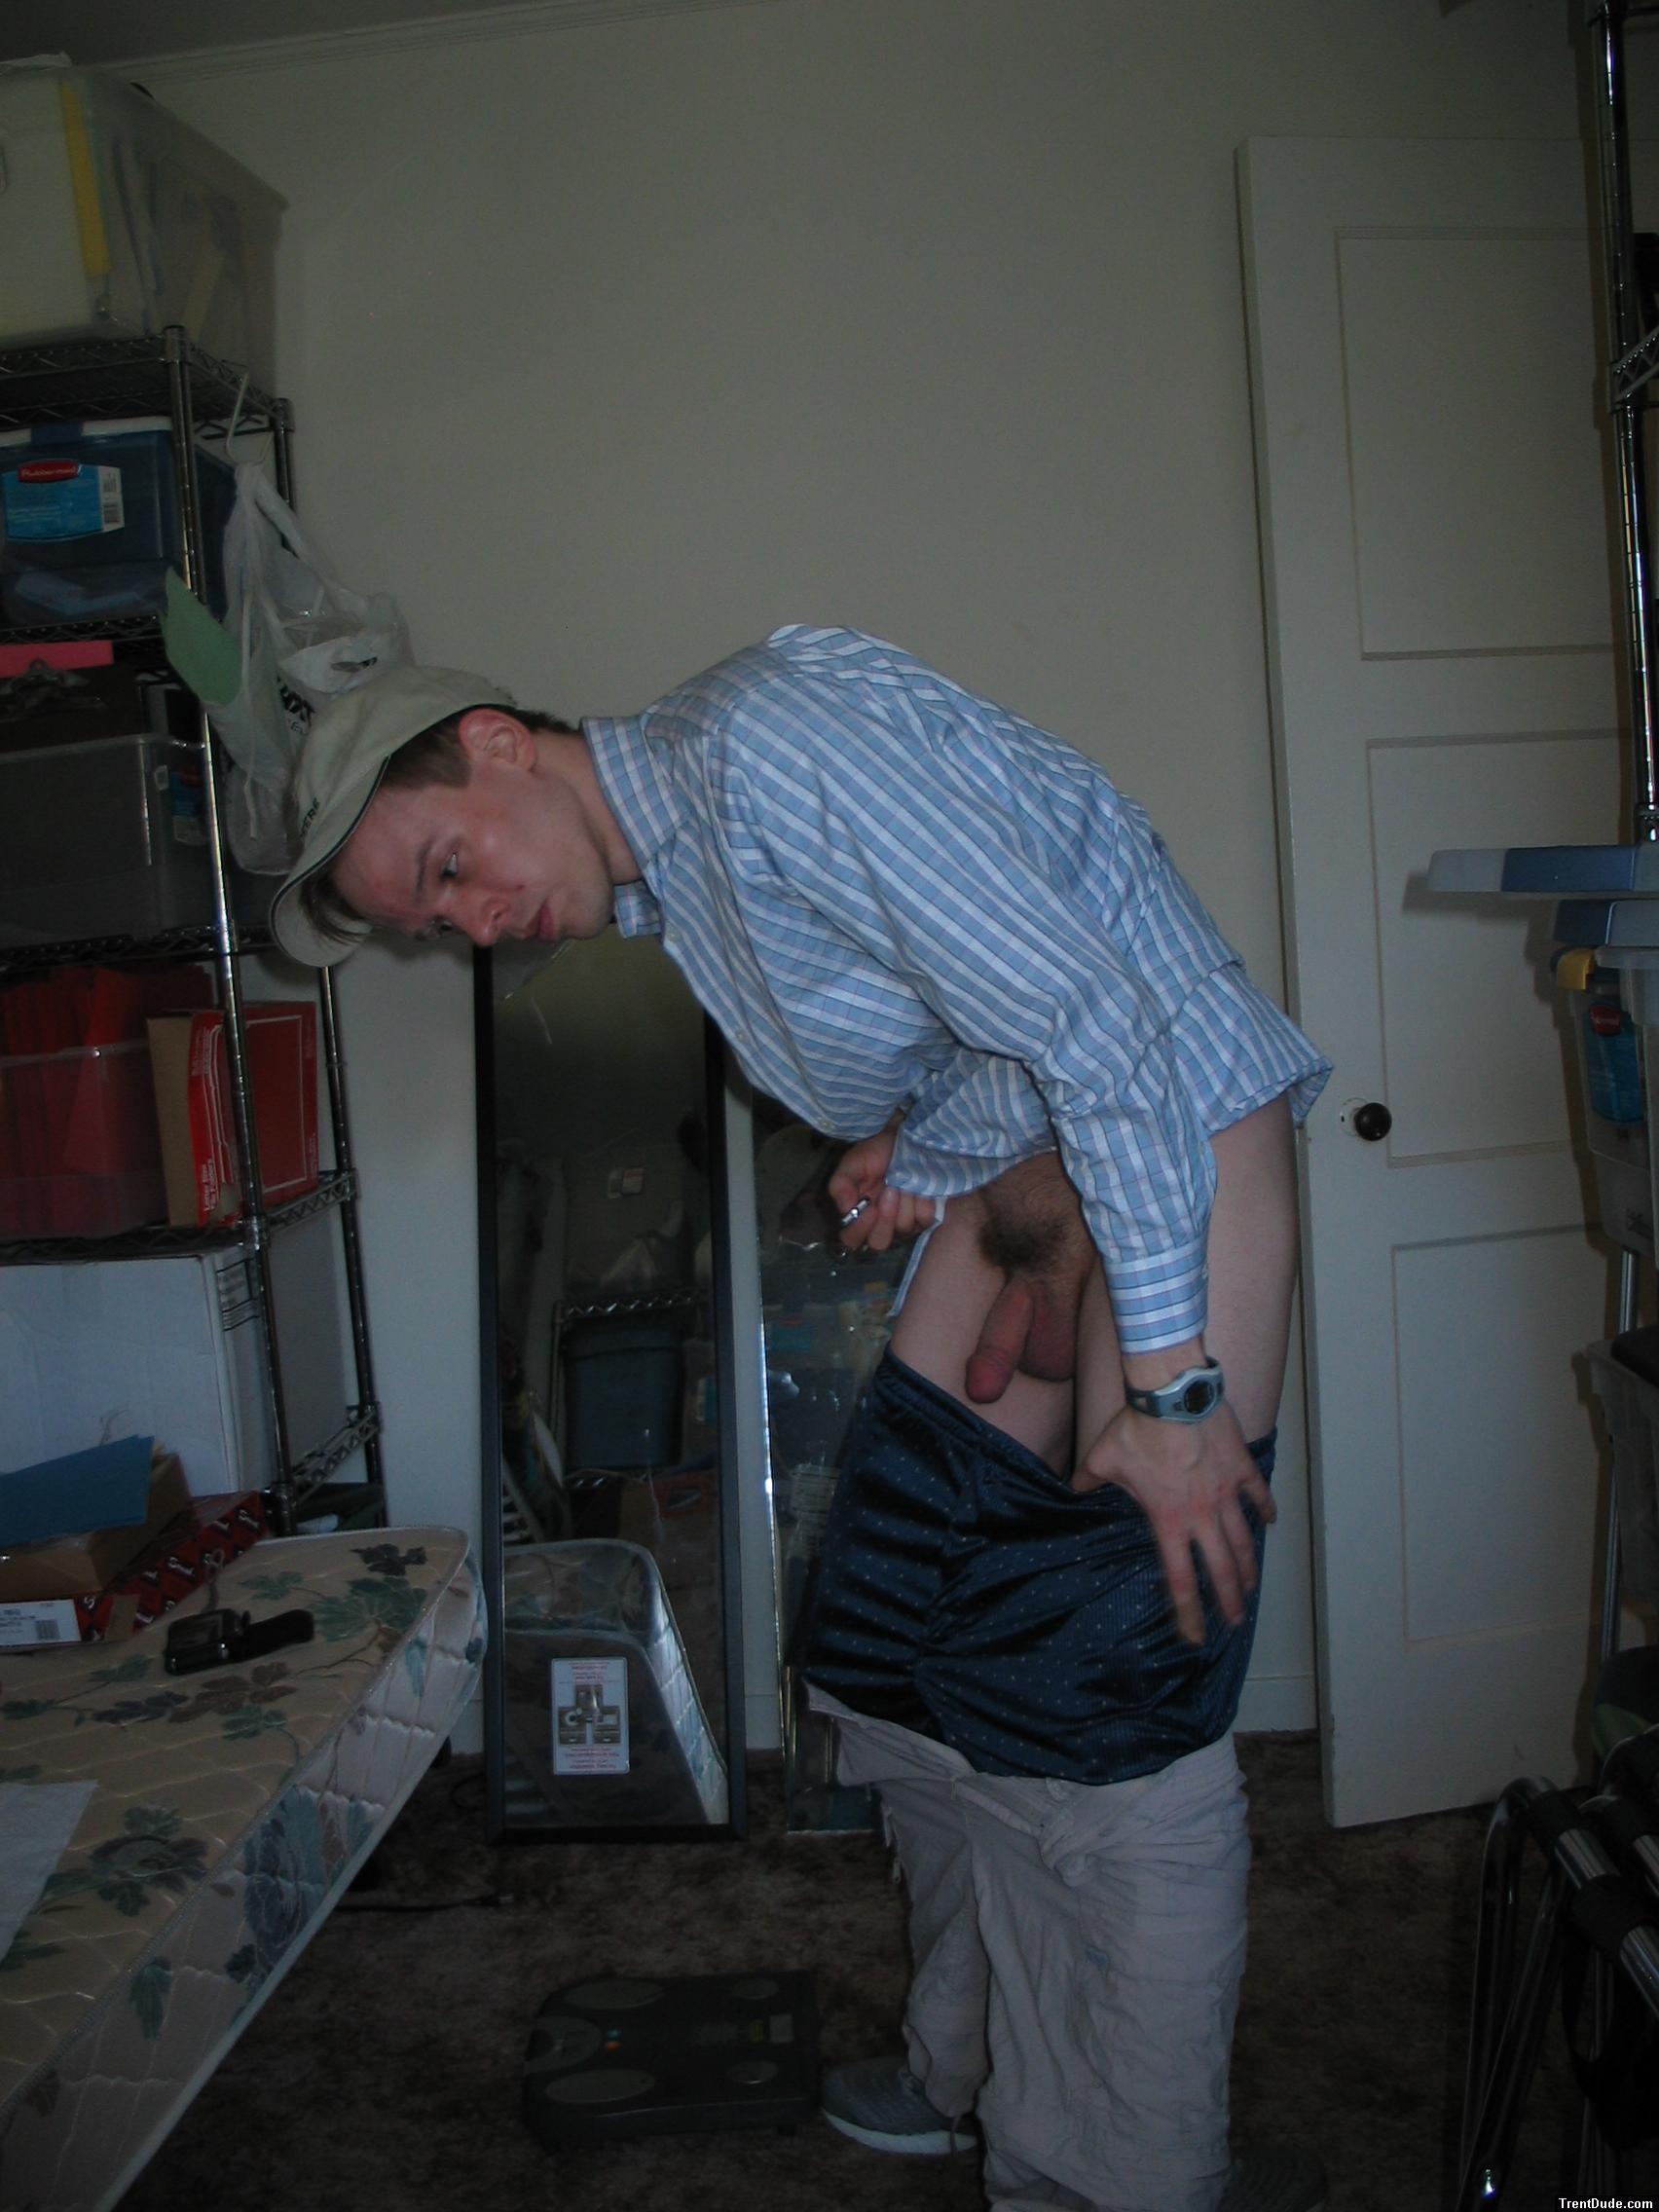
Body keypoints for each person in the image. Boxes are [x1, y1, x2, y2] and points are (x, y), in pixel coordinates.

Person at [271, 627, 1331, 2212]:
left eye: (449, 866)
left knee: (1109, 1714)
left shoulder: (760, 746)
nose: (476, 925)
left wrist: (1177, 1394)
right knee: (900, 1644)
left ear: (494, 741)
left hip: (1161, 1155)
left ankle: (1135, 2171)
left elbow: (1101, 1021)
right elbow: (990, 1010)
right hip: (1022, 1171)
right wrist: (918, 1146)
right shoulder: (683, 877)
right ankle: (971, 2067)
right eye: (435, 922)